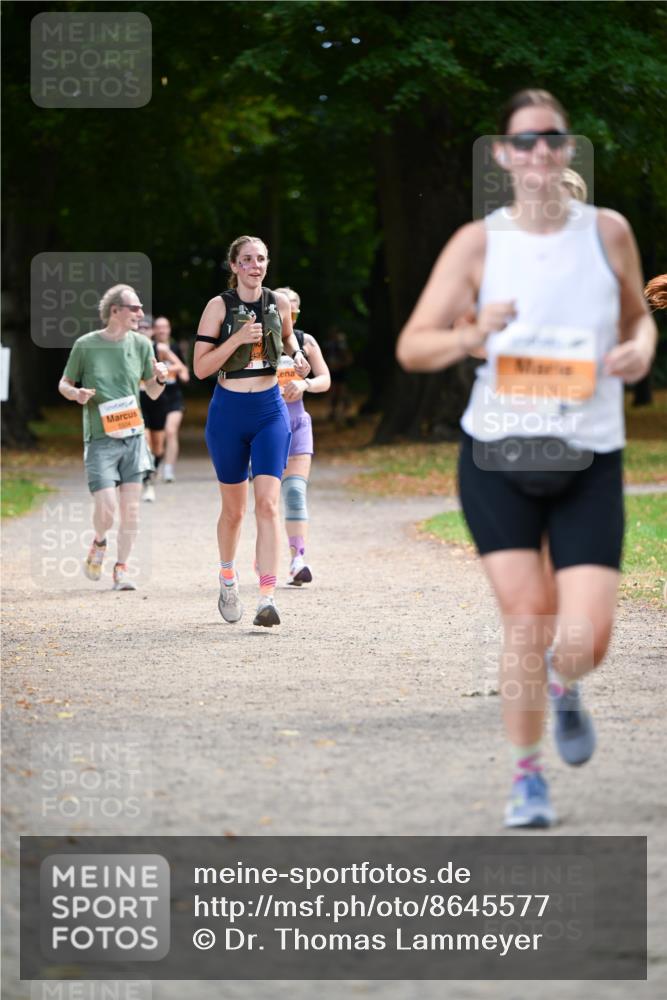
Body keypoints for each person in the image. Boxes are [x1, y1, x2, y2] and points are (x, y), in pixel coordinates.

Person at [396, 89, 657, 828]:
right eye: (525, 140)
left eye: (553, 138)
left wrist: (638, 352)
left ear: (567, 149)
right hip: (497, 457)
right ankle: (525, 779)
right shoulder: (477, 245)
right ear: (504, 155)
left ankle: (565, 683)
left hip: (588, 459)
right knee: (526, 619)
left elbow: (638, 322)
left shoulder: (608, 233)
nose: (539, 151)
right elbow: (413, 345)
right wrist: (468, 337)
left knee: (584, 637)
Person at [193, 235, 310, 627]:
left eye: (260, 259)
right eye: (247, 259)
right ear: (234, 266)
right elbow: (201, 367)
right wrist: (238, 339)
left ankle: (267, 596)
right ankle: (227, 575)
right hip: (228, 411)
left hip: (268, 410)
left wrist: (297, 357)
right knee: (234, 510)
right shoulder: (217, 307)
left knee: (269, 504)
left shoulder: (277, 302)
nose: (255, 265)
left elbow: (290, 338)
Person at [58, 284, 168, 590]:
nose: (140, 313)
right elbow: (64, 383)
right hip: (101, 438)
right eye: (134, 308)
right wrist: (77, 394)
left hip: (133, 436)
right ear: (115, 310)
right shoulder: (86, 345)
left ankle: (121, 569)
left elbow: (153, 392)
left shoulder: (143, 345)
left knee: (131, 510)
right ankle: (99, 541)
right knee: (106, 509)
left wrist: (160, 378)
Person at [274, 287, 331, 585]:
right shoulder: (260, 339)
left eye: (295, 308)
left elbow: (325, 379)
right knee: (267, 500)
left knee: (295, 493)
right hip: (265, 426)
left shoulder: (306, 341)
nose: (290, 312)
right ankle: (266, 556)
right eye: (285, 307)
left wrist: (305, 385)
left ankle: (298, 560)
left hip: (297, 424)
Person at [153, 315, 190, 482]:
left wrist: (173, 366)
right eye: (159, 327)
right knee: (156, 438)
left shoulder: (174, 348)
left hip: (174, 397)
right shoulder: (149, 348)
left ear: (169, 330)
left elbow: (185, 376)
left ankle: (168, 469)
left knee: (170, 431)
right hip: (155, 398)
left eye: (165, 327)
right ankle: (155, 465)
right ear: (154, 330)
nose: (162, 330)